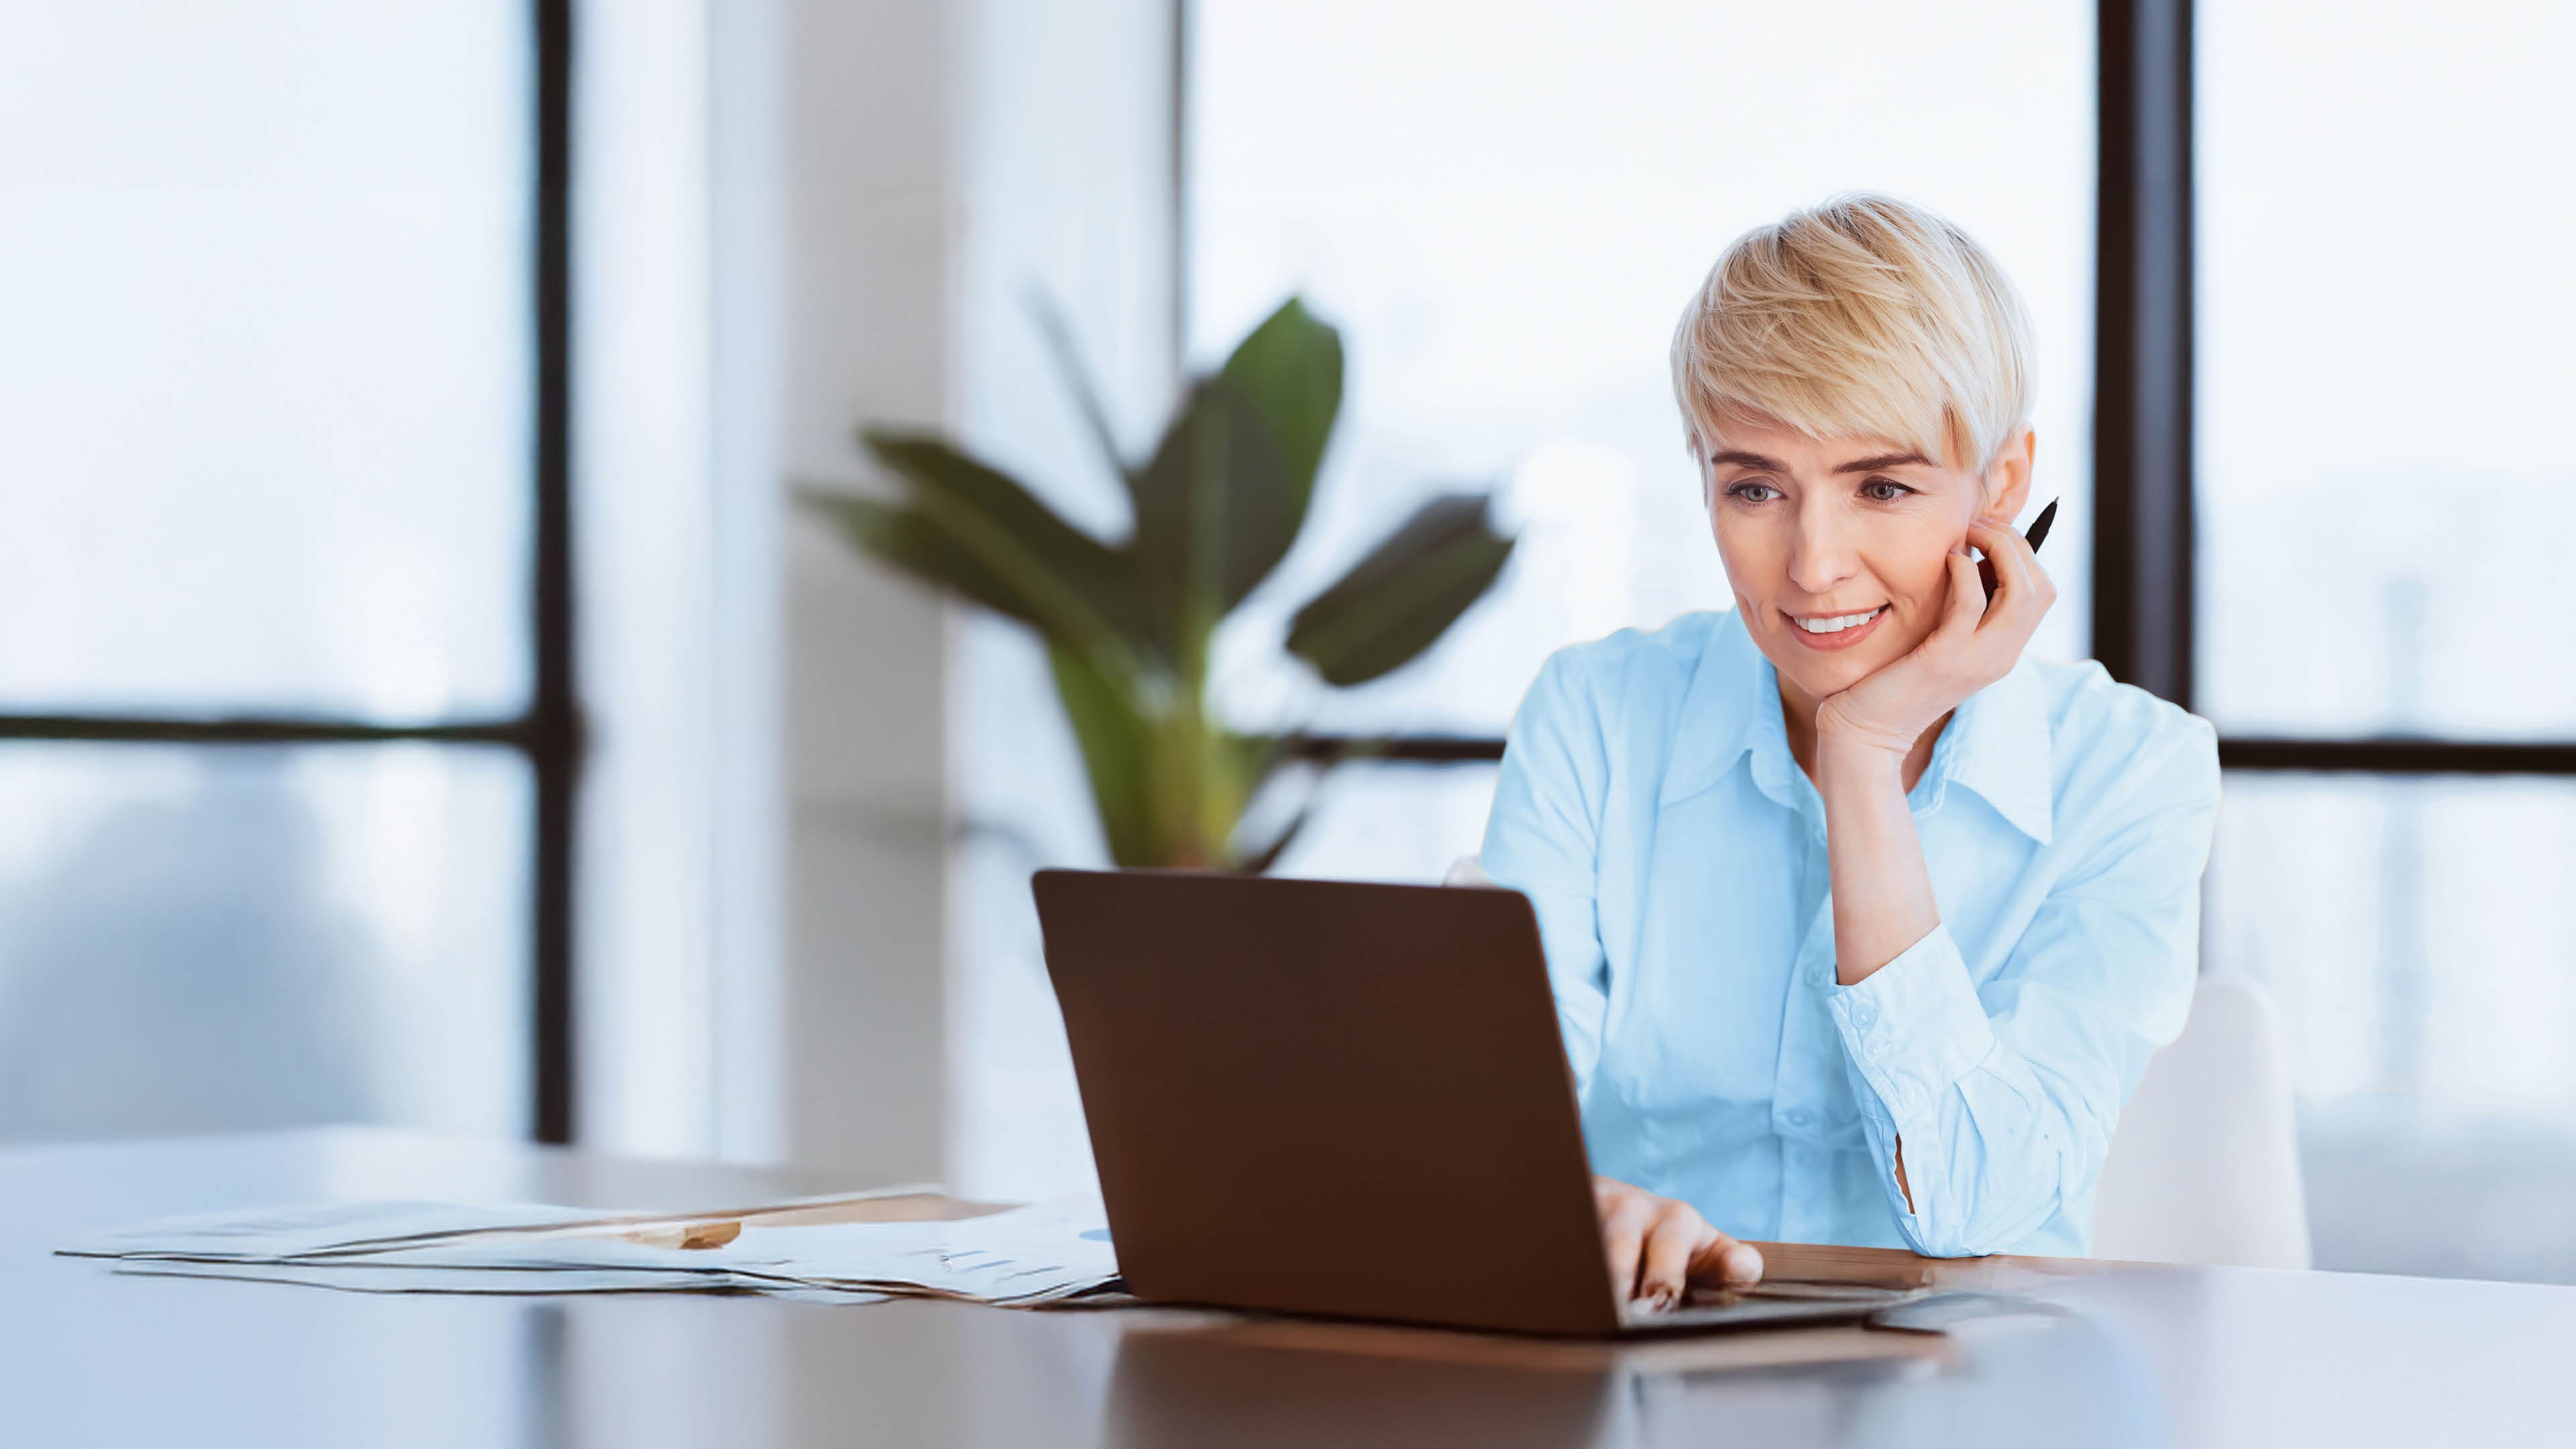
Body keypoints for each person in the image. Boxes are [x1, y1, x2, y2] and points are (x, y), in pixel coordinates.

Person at [1479, 193, 2219, 1312]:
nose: (1813, 564)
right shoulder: (1596, 714)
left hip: (1979, 1395)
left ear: (2002, 488)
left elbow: (1976, 1209)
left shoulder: (2132, 772)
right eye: (1756, 488)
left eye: (1883, 486)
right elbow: (1490, 1134)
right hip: (1640, 1365)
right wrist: (1572, 1205)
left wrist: (1862, 757)